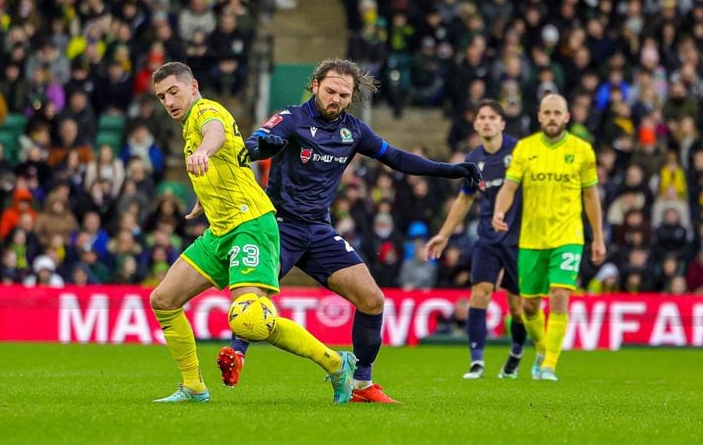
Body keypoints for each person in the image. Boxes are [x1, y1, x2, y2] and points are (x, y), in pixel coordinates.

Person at [216, 58, 482, 403]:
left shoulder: (354, 131)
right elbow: (260, 139)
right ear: (315, 86)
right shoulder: (292, 118)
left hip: (319, 230)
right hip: (278, 226)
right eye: (330, 91)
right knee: (254, 296)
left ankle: (361, 384)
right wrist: (261, 147)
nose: (336, 99)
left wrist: (450, 170)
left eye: (344, 94)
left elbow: (398, 158)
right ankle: (237, 354)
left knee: (372, 300)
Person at [147, 62, 356, 404]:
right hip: (220, 229)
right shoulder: (187, 127)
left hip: (250, 225)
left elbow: (214, 133)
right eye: (162, 96)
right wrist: (205, 195)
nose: (169, 101)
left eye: (174, 91)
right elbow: (226, 160)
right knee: (164, 300)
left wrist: (203, 151)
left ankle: (336, 363)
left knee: (249, 318)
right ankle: (193, 387)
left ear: (193, 86)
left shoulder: (205, 111)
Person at [492, 94, 605, 382]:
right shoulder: (525, 149)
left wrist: (598, 237)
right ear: (540, 117)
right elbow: (509, 187)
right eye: (547, 112)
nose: (552, 117)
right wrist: (499, 211)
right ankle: (543, 348)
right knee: (529, 305)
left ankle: (549, 366)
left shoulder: (582, 151)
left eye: (558, 112)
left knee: (559, 297)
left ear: (567, 117)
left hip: (569, 236)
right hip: (531, 239)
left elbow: (591, 196)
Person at [425, 99, 528, 380]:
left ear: (502, 123)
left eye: (492, 117)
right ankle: (477, 362)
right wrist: (443, 235)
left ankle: (517, 349)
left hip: (519, 238)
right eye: (482, 117)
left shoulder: (519, 152)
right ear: (475, 124)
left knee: (518, 307)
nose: (486, 122)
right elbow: (464, 200)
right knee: (479, 293)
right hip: (488, 236)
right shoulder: (474, 160)